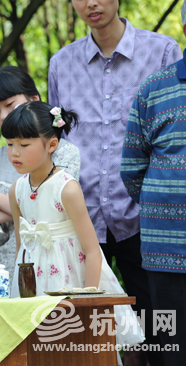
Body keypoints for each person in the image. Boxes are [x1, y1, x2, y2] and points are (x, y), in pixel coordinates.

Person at [48, 1, 182, 363]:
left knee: (160, 331)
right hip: (82, 218)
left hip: (146, 220)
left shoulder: (163, 51)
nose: (91, 3)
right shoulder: (61, 63)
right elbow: (56, 145)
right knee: (87, 333)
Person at [4, 101, 144, 352]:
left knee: (75, 348)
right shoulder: (16, 190)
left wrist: (86, 301)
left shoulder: (66, 188)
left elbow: (92, 249)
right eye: (10, 143)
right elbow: (20, 246)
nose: (14, 152)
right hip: (32, 282)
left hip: (70, 278)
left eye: (24, 145)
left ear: (52, 145)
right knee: (35, 350)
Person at [0, 66, 81, 289]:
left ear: (34, 99)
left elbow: (50, 210)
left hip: (49, 269)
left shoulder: (63, 152)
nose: (3, 116)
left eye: (10, 105)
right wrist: (17, 212)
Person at [120, 2, 186, 363]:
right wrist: (168, 207)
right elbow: (132, 168)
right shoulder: (154, 90)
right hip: (167, 254)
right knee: (173, 352)